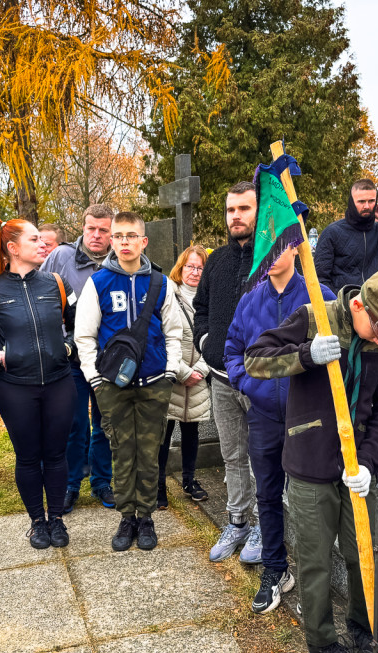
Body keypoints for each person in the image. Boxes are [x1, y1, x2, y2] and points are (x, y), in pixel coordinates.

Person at [244, 262, 378, 653]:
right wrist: (305, 355)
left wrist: (370, 462)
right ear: (359, 306)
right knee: (315, 560)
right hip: (310, 461)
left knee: (364, 553)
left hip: (358, 465)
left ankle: (364, 625)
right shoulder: (312, 318)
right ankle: (321, 641)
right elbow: (255, 360)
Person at [225, 247, 335, 614]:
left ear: (296, 246)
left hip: (309, 420)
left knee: (309, 502)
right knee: (268, 494)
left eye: (280, 243)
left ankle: (313, 582)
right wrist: (247, 384)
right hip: (264, 415)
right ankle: (275, 568)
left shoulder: (320, 295)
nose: (272, 253)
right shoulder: (250, 299)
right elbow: (233, 349)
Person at [74, 211, 184, 552]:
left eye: (131, 235)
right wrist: (96, 379)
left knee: (149, 454)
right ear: (112, 240)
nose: (124, 242)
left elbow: (174, 332)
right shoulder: (99, 282)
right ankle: (127, 516)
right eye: (119, 236)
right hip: (113, 387)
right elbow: (84, 336)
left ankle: (146, 516)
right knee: (122, 452)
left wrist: (170, 371)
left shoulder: (161, 283)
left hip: (154, 382)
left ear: (143, 241)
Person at [0, 220, 77, 550]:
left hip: (59, 383)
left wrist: (67, 348)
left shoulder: (57, 283)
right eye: (35, 239)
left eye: (43, 239)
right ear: (13, 248)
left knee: (57, 455)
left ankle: (56, 519)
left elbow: (79, 326)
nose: (43, 244)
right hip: (16, 388)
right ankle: (37, 522)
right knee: (28, 458)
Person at [194, 182, 262, 566]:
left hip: (262, 381)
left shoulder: (273, 259)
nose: (235, 216)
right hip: (221, 378)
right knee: (232, 456)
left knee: (263, 457)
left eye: (243, 208)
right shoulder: (217, 260)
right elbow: (201, 308)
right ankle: (237, 521)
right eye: (230, 209)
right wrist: (206, 341)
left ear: (259, 212)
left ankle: (265, 526)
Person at [43, 205, 116, 512]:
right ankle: (71, 484)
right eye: (91, 228)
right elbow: (40, 295)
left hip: (108, 359)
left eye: (103, 230)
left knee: (104, 423)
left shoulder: (119, 261)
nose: (96, 235)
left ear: (112, 232)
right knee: (74, 424)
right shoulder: (61, 256)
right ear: (82, 228)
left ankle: (102, 481)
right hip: (71, 359)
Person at [157, 245, 212, 510]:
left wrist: (201, 370)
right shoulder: (168, 294)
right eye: (190, 266)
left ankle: (189, 480)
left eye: (200, 267)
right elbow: (161, 337)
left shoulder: (210, 298)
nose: (195, 272)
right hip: (173, 374)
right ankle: (159, 485)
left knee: (192, 431)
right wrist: (182, 371)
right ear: (181, 267)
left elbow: (216, 337)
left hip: (199, 375)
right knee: (163, 433)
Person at [314, 179, 378, 291]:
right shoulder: (332, 232)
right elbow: (320, 278)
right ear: (351, 202)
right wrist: (339, 300)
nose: (367, 206)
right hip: (343, 300)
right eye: (361, 201)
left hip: (373, 299)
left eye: (371, 201)